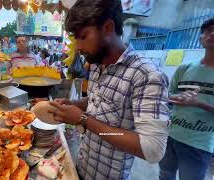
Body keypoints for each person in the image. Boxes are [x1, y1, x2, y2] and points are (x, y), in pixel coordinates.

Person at [48, 0, 170, 179]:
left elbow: (152, 149)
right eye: (76, 39)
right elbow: (99, 102)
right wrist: (75, 104)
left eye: (83, 36)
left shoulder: (146, 74)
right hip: (82, 168)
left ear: (108, 27)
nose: (79, 47)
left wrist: (83, 120)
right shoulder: (97, 63)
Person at [159, 18, 214, 180]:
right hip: (171, 135)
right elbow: (166, 96)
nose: (212, 33)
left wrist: (199, 103)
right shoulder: (184, 68)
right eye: (208, 30)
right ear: (200, 38)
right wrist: (178, 97)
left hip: (199, 144)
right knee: (165, 174)